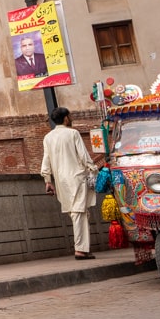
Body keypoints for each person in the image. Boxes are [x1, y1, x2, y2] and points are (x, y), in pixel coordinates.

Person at [40, 106, 97, 260]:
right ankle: (80, 249)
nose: (71, 118)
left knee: (78, 212)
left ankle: (83, 248)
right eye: (70, 116)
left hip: (61, 180)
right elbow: (84, 156)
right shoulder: (73, 133)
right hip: (76, 176)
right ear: (66, 118)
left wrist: (47, 181)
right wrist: (94, 169)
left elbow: (46, 160)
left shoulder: (48, 137)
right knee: (79, 212)